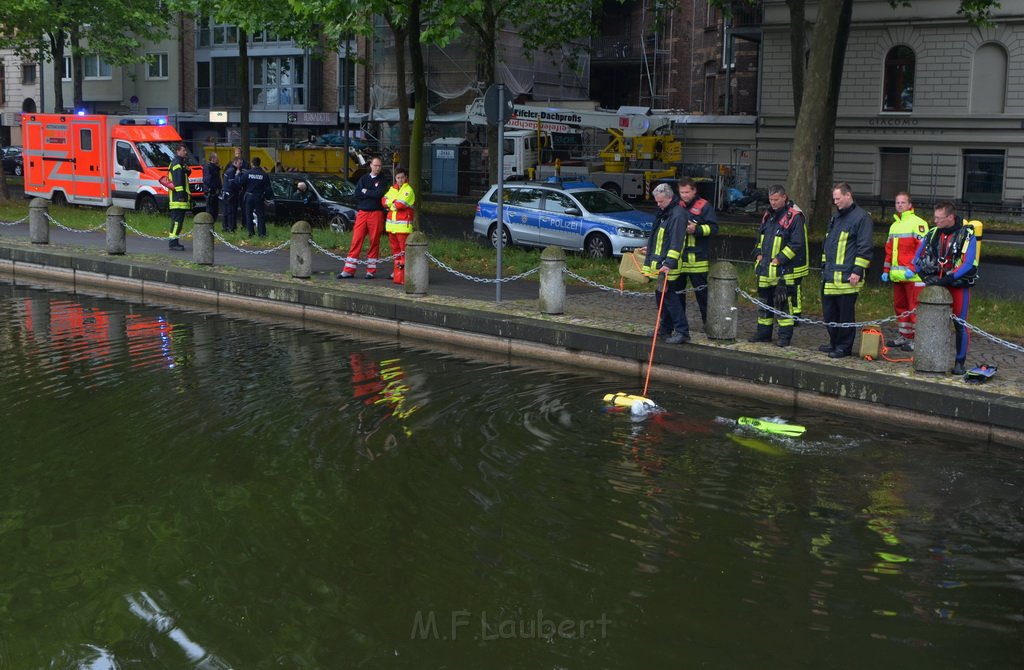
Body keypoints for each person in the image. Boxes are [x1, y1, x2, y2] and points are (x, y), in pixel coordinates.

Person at [911, 202, 978, 375]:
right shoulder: (933, 233)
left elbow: (968, 263)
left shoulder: (966, 234)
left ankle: (959, 363)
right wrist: (925, 277)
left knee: (960, 324)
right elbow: (916, 259)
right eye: (934, 217)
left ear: (950, 217)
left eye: (939, 218)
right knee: (932, 322)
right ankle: (931, 360)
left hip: (957, 285)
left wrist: (949, 278)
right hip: (935, 284)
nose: (935, 221)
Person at [748, 184, 808, 347]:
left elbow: (796, 244)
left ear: (784, 197)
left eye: (776, 199)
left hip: (782, 271)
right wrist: (758, 254)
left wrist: (779, 259)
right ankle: (763, 333)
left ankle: (784, 337)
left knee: (783, 305)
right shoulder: (768, 215)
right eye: (770, 199)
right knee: (764, 304)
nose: (773, 203)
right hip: (765, 269)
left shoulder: (793, 217)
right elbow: (760, 237)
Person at [820, 182, 873, 358]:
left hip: (847, 277)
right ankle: (834, 342)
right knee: (830, 314)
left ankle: (844, 346)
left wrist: (857, 270)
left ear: (848, 195)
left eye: (838, 198)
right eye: (834, 199)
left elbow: (864, 247)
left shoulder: (861, 218)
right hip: (830, 276)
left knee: (845, 315)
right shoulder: (836, 217)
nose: (836, 202)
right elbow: (828, 245)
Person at [639, 182, 689, 344]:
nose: (658, 205)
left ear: (670, 197)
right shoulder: (665, 213)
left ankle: (682, 331)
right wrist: (650, 249)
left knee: (670, 300)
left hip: (667, 266)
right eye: (657, 202)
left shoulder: (677, 215)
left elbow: (676, 243)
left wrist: (668, 263)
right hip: (661, 263)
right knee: (662, 298)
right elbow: (661, 238)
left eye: (661, 201)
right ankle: (665, 329)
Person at [881, 192, 929, 351]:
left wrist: (913, 268)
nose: (900, 205)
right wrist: (886, 270)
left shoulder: (918, 223)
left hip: (914, 276)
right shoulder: (894, 226)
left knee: (915, 308)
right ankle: (905, 336)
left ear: (910, 205)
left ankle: (918, 339)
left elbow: (923, 251)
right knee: (900, 307)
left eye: (903, 202)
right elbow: (889, 251)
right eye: (897, 202)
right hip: (898, 276)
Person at [676, 178, 718, 327]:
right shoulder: (677, 206)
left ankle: (709, 325)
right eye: (682, 192)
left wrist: (697, 230)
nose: (684, 195)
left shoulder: (704, 206)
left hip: (698, 260)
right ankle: (679, 325)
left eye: (687, 192)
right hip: (679, 259)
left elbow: (713, 228)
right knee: (677, 296)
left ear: (694, 190)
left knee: (703, 296)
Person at [338, 157, 388, 279]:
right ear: (370, 165)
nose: (377, 168)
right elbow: (357, 194)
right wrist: (369, 193)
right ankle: (349, 270)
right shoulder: (364, 178)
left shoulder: (383, 180)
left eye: (379, 166)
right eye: (375, 165)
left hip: (376, 213)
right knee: (356, 240)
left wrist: (366, 192)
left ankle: (371, 271)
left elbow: (378, 194)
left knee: (374, 241)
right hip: (362, 213)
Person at [383, 166, 415, 285]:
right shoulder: (393, 189)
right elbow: (383, 201)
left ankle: (404, 275)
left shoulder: (408, 190)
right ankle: (397, 274)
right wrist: (392, 203)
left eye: (402, 177)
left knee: (403, 252)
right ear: (395, 178)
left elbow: (400, 204)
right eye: (398, 178)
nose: (400, 180)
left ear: (406, 177)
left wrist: (391, 203)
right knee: (396, 252)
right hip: (392, 228)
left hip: (403, 228)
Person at [237, 156, 271, 237]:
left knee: (248, 215)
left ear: (252, 164)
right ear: (259, 164)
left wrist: (238, 175)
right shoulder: (264, 174)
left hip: (249, 196)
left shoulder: (247, 173)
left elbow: (240, 183)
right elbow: (268, 189)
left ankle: (250, 233)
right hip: (259, 197)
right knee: (260, 215)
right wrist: (267, 198)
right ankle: (262, 233)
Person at [167, 144, 190, 251]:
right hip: (178, 199)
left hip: (178, 198)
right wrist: (181, 196)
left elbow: (181, 176)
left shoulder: (179, 163)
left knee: (178, 221)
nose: (185, 152)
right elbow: (178, 181)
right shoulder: (177, 163)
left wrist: (187, 171)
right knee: (177, 221)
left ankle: (174, 241)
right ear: (178, 151)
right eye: (183, 150)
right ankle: (173, 243)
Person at [221, 157, 242, 233]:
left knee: (226, 211)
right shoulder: (233, 171)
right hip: (231, 194)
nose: (241, 165)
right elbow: (232, 184)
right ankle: (231, 228)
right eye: (239, 163)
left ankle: (225, 227)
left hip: (226, 193)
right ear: (235, 163)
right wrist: (237, 176)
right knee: (231, 211)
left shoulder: (228, 170)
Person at [202, 152, 221, 224]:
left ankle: (213, 221)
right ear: (212, 158)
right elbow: (208, 179)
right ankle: (209, 222)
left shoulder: (215, 167)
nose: (218, 159)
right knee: (210, 208)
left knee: (215, 208)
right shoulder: (208, 167)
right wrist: (209, 188)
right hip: (210, 191)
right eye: (217, 158)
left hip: (215, 190)